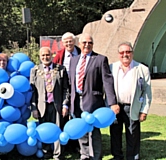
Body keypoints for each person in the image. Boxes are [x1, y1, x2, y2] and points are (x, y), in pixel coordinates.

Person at [68, 32, 120, 160]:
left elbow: (107, 82)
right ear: (79, 44)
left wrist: (112, 102)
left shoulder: (100, 59)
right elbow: (71, 82)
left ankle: (96, 156)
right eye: (84, 42)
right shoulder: (74, 60)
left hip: (93, 101)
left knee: (94, 131)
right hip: (76, 100)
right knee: (81, 129)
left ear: (93, 44)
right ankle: (84, 154)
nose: (87, 45)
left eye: (90, 43)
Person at [109, 42, 152, 160]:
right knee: (115, 134)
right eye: (122, 52)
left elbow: (147, 92)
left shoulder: (142, 69)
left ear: (132, 53)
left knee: (132, 135)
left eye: (128, 52)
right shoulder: (111, 67)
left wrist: (144, 111)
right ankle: (117, 156)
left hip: (133, 107)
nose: (125, 55)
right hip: (116, 107)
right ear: (118, 54)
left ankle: (132, 157)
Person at [30, 47, 70, 160]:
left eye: (47, 55)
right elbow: (32, 91)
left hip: (56, 104)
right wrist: (33, 108)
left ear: (51, 55)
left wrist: (65, 104)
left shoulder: (61, 69)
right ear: (40, 57)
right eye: (43, 55)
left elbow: (66, 89)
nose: (45, 57)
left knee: (57, 128)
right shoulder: (35, 70)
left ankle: (58, 154)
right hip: (41, 106)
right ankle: (46, 152)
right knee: (44, 129)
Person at [52, 32, 81, 152]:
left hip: (77, 88)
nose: (69, 43)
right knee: (63, 116)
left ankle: (77, 143)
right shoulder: (59, 55)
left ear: (74, 41)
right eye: (66, 42)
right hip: (63, 89)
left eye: (70, 41)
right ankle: (65, 144)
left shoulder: (80, 53)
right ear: (63, 43)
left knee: (76, 116)